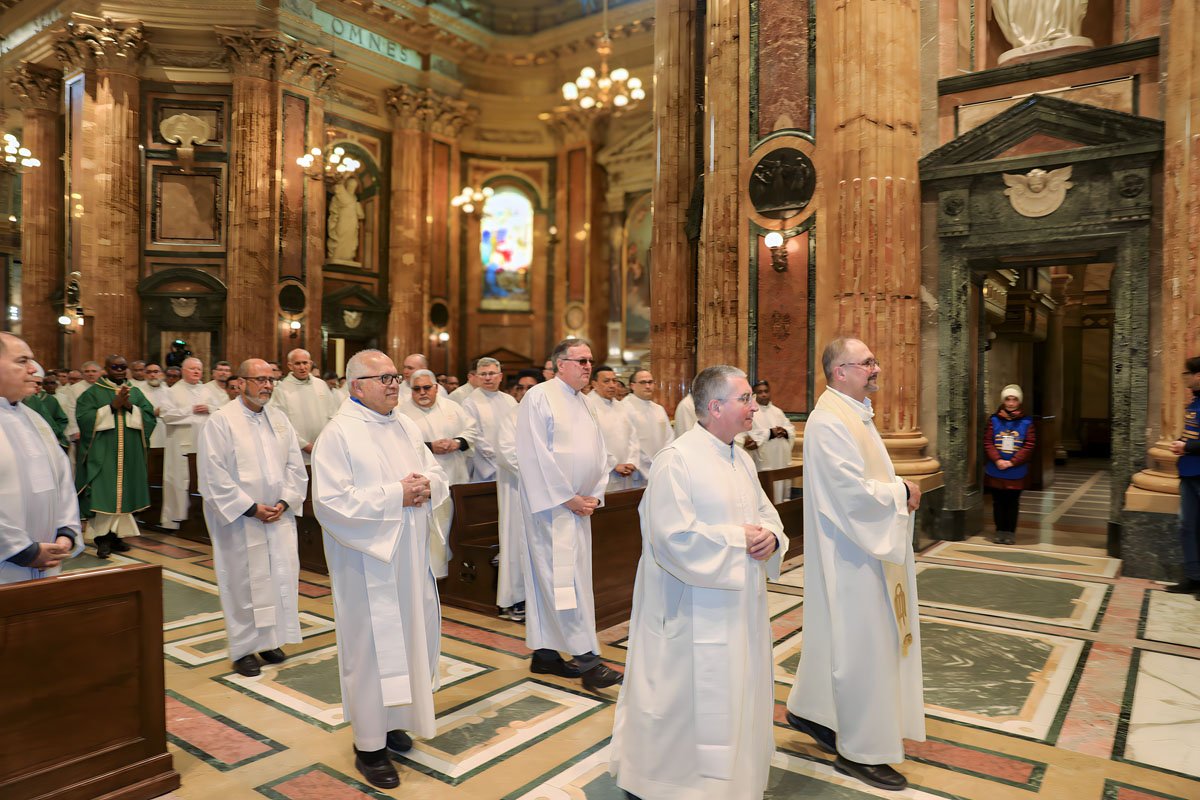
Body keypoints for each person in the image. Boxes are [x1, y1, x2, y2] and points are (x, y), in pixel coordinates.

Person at [610, 365, 787, 799]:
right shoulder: (677, 460)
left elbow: (765, 513)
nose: (753, 406)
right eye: (744, 399)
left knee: (734, 691)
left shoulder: (740, 458)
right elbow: (671, 538)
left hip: (738, 607)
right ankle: (668, 785)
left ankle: (734, 781)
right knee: (685, 698)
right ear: (715, 407)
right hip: (689, 610)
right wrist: (738, 539)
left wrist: (771, 536)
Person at [786, 337, 924, 792]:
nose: (876, 368)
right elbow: (850, 493)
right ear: (840, 371)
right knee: (863, 648)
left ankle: (812, 710)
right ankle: (860, 751)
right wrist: (900, 492)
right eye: (867, 362)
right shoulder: (830, 420)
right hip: (852, 555)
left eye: (874, 361)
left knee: (840, 639)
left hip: (861, 550)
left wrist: (895, 489)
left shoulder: (853, 412)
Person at [311, 350, 447, 790]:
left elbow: (435, 472)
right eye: (384, 378)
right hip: (367, 563)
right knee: (370, 648)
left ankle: (394, 723)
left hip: (409, 558)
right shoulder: (339, 434)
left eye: (394, 377)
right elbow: (330, 503)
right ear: (357, 386)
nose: (394, 385)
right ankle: (369, 745)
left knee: (409, 640)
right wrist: (396, 495)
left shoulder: (405, 424)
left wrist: (428, 485)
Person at [515, 338, 622, 692]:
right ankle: (589, 662)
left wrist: (593, 495)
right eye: (581, 361)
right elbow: (533, 455)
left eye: (590, 360)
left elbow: (600, 453)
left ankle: (545, 656)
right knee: (562, 583)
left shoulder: (585, 401)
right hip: (552, 511)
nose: (588, 366)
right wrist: (567, 497)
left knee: (565, 581)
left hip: (577, 509)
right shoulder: (539, 397)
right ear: (560, 364)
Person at [198, 359, 308, 677]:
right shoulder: (221, 421)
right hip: (241, 520)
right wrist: (250, 508)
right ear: (241, 383)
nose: (267, 385)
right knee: (243, 583)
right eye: (260, 379)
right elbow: (213, 474)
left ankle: (269, 641)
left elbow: (294, 466)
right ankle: (244, 649)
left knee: (278, 578)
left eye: (271, 380)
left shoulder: (280, 419)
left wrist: (284, 502)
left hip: (278, 517)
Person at [0, 334, 82, 584]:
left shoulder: (34, 419)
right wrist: (23, 551)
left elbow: (62, 481)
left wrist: (66, 532)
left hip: (48, 560)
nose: (33, 369)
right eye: (22, 361)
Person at [74, 355, 157, 557]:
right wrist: (112, 406)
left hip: (129, 455)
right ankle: (102, 539)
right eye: (115, 367)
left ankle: (116, 536)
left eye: (122, 367)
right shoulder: (93, 393)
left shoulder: (135, 392)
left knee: (124, 494)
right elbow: (84, 419)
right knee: (104, 494)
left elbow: (149, 417)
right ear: (106, 369)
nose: (119, 370)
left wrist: (129, 407)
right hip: (103, 455)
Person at [400, 369, 478, 579]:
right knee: (429, 530)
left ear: (436, 388)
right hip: (422, 484)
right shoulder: (401, 413)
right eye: (416, 389)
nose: (422, 393)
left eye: (427, 388)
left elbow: (471, 430)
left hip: (454, 477)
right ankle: (428, 574)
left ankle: (450, 573)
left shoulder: (452, 407)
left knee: (452, 528)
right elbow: (400, 444)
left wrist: (457, 442)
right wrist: (430, 446)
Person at [160, 357, 214, 530]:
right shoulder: (172, 391)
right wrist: (190, 410)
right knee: (178, 480)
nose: (197, 372)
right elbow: (166, 415)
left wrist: (209, 409)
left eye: (199, 369)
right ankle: (175, 518)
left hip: (203, 443)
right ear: (183, 371)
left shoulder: (207, 390)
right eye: (192, 369)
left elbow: (219, 411)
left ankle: (198, 519)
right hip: (179, 444)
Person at [984, 384, 1037, 545]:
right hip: (996, 468)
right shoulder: (994, 420)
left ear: (1019, 402)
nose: (1011, 403)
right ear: (1004, 401)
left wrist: (1012, 461)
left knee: (1012, 502)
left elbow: (1029, 444)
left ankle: (1010, 532)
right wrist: (998, 460)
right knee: (998, 502)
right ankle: (999, 530)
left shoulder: (1027, 421)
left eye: (1014, 399)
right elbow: (988, 442)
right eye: (1008, 399)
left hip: (1016, 470)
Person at [1167, 356, 1200, 598]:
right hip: (1189, 472)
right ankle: (1193, 576)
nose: (1185, 378)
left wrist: (1186, 447)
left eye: (1187, 373)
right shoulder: (1195, 402)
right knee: (1187, 527)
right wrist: (1182, 443)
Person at [271, 348, 337, 465]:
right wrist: (305, 445)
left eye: (305, 363)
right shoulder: (282, 389)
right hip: (299, 453)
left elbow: (333, 415)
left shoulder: (321, 384)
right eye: (298, 363)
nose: (302, 367)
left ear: (310, 363)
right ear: (290, 366)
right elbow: (281, 424)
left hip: (325, 449)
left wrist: (327, 440)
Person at [740, 379, 796, 503]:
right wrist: (770, 433)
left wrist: (784, 431)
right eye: (760, 392)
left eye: (766, 391)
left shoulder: (777, 412)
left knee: (781, 495)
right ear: (754, 395)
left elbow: (791, 430)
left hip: (780, 461)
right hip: (764, 463)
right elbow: (748, 436)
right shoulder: (751, 412)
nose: (764, 394)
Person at [462, 357, 517, 482]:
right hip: (484, 466)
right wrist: (497, 459)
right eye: (483, 374)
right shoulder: (470, 403)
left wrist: (511, 457)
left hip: (510, 462)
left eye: (491, 373)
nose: (487, 378)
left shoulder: (510, 400)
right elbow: (475, 435)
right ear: (477, 377)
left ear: (500, 376)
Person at [585, 365, 640, 491]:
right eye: (606, 381)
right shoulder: (588, 406)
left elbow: (633, 436)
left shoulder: (621, 406)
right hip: (602, 473)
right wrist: (613, 464)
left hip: (626, 471)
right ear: (594, 384)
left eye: (614, 381)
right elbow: (591, 442)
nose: (612, 385)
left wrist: (631, 461)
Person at [622, 368, 673, 488]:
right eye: (643, 382)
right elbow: (629, 441)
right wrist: (648, 463)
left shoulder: (658, 409)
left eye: (650, 382)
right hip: (638, 472)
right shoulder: (624, 408)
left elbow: (669, 437)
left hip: (661, 467)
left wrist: (663, 460)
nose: (648, 386)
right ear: (632, 385)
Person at [23, 362, 69, 449]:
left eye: (39, 383)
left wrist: (55, 433)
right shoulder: (17, 398)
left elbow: (60, 420)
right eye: (33, 382)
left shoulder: (49, 400)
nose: (36, 386)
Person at [133, 363, 171, 450]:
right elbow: (133, 411)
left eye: (156, 372)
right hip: (147, 432)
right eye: (149, 372)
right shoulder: (138, 391)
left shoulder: (169, 391)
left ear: (162, 374)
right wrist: (152, 413)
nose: (152, 375)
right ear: (145, 375)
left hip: (166, 432)